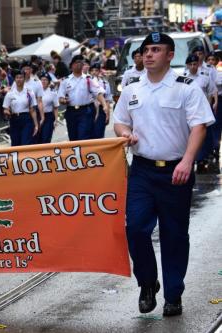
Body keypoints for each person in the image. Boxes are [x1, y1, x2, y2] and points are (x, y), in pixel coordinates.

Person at [113, 32, 215, 317]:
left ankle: (173, 294)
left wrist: (187, 161)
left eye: (155, 50)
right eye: (146, 50)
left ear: (170, 55)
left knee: (174, 235)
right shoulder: (133, 88)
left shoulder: (186, 87)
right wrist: (126, 133)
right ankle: (147, 283)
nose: (148, 54)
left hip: (175, 173)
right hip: (143, 171)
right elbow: (119, 121)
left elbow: (199, 127)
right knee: (135, 229)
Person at [58, 55, 108, 141]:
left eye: (81, 63)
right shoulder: (65, 81)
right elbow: (60, 97)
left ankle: (85, 154)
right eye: (76, 62)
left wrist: (104, 105)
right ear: (72, 65)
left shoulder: (88, 79)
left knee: (83, 136)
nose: (79, 65)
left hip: (86, 111)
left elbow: (98, 92)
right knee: (73, 137)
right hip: (71, 111)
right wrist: (63, 100)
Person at [2, 69, 38, 146]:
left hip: (26, 119)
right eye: (17, 77)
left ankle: (25, 158)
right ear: (15, 79)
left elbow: (32, 109)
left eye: (21, 77)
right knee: (15, 143)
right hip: (15, 119)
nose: (19, 79)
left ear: (24, 79)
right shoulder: (10, 94)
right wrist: (7, 112)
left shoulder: (29, 92)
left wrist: (36, 125)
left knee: (25, 142)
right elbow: (5, 108)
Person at [90, 63, 112, 139]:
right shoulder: (87, 82)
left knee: (99, 132)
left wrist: (108, 115)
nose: (94, 72)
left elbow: (108, 100)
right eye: (92, 70)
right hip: (90, 108)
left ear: (99, 72)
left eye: (96, 70)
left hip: (102, 108)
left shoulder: (105, 83)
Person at [38, 73, 59, 144]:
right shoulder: (35, 92)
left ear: (49, 82)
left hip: (48, 117)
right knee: (37, 138)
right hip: (37, 116)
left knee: (46, 137)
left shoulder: (52, 93)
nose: (43, 81)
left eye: (45, 80)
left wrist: (56, 120)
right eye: (42, 80)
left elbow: (55, 107)